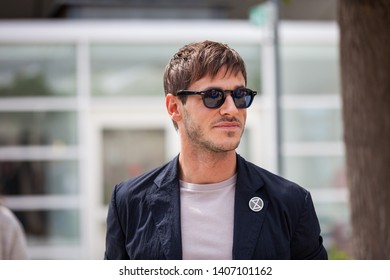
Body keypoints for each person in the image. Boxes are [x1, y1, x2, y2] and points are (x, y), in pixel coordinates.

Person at [104, 40, 328, 260]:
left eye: (239, 95)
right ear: (174, 107)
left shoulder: (291, 202)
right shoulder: (128, 201)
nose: (231, 109)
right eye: (213, 96)